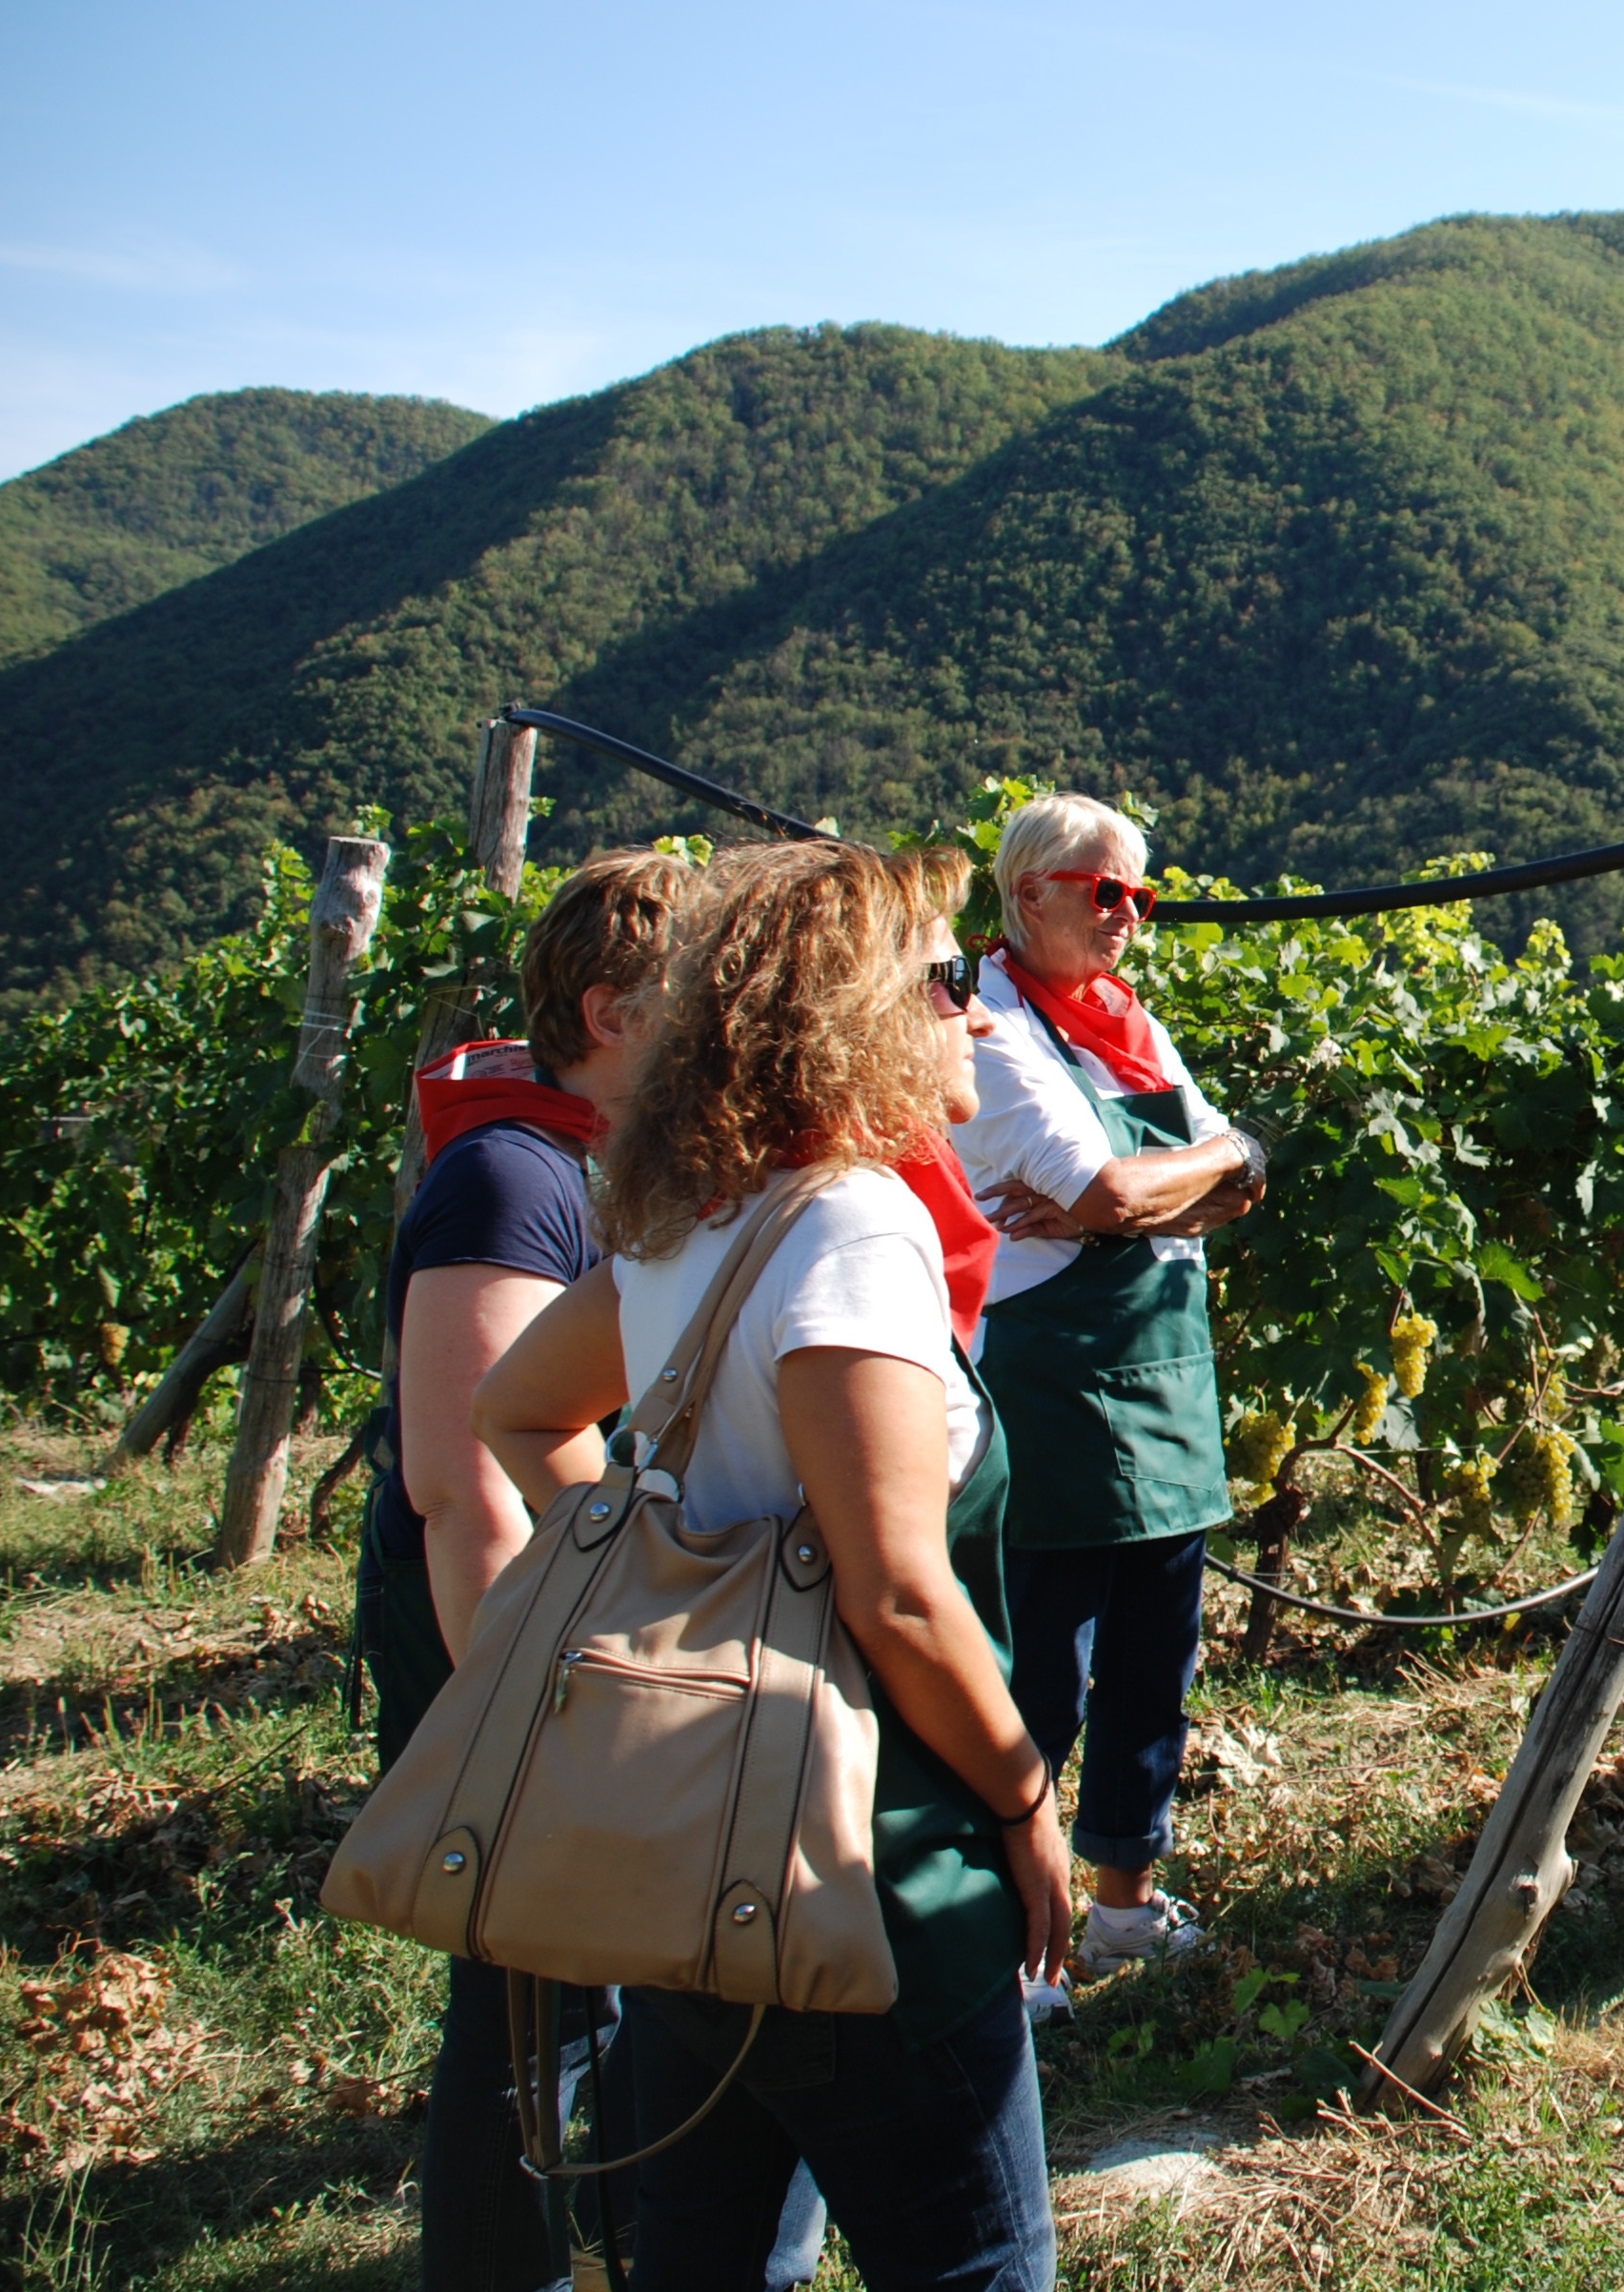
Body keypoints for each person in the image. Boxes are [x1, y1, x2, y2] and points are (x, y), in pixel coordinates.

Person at [474, 840, 1081, 2292]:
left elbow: (518, 1410)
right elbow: (894, 1593)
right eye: (948, 979)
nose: (980, 1013)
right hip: (871, 1866)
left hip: (688, 1861)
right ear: (852, 1006)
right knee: (980, 2265)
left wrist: (665, 1599)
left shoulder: (692, 1219)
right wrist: (1026, 1800)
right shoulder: (852, 1225)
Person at [353, 848, 722, 2292]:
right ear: (614, 1010)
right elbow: (464, 1487)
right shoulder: (512, 1176)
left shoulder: (592, 1158)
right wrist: (525, 1719)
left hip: (563, 1612)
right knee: (526, 1991)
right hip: (500, 1627)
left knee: (577, 1984)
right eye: (697, 997)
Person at [947, 793, 1262, 1992]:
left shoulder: (1123, 1025)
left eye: (1140, 896)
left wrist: (1203, 1170)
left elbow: (1222, 1178)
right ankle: (1013, 1943)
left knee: (1154, 1661)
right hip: (1054, 1383)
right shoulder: (988, 1029)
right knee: (1042, 1670)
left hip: (1165, 1372)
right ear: (1027, 895)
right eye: (1102, 892)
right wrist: (1158, 1186)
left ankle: (1124, 1902)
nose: (1128, 916)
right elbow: (1110, 1198)